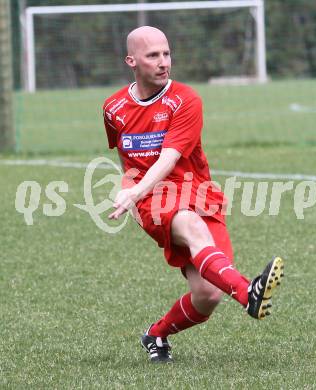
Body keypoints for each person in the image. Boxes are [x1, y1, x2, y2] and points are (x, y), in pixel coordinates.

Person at [103, 26, 284, 363]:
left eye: (166, 54)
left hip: (197, 192)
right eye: (152, 55)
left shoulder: (185, 100)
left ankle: (156, 334)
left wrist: (133, 189)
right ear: (131, 60)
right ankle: (249, 294)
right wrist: (132, 189)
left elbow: (169, 158)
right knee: (190, 225)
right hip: (152, 199)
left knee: (208, 295)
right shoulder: (113, 108)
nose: (163, 62)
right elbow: (125, 156)